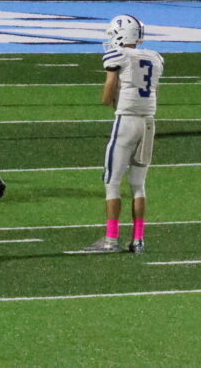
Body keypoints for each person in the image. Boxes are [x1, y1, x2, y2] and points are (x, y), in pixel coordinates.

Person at [83, 14, 164, 254]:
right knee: (138, 185)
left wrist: (108, 100)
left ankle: (111, 239)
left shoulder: (117, 55)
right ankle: (138, 239)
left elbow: (110, 85)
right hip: (148, 123)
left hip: (126, 121)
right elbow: (155, 90)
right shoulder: (155, 57)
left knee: (112, 182)